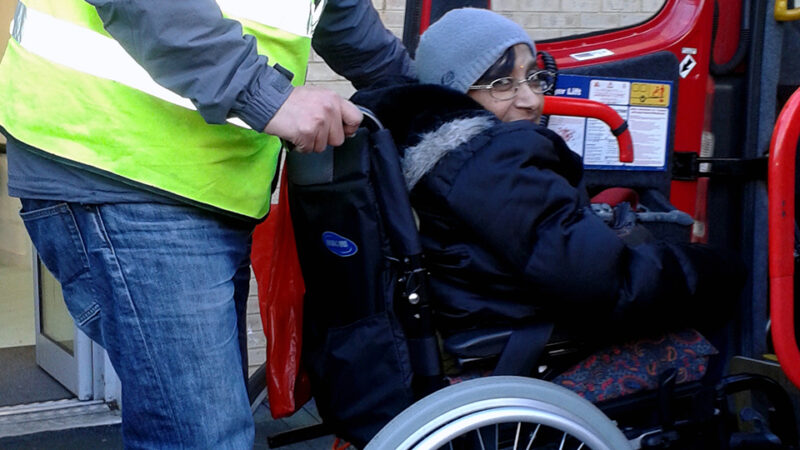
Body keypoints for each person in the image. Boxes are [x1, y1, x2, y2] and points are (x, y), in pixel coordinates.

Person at [0, 1, 413, 448]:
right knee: (202, 437)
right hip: (118, 158)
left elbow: (351, 29)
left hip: (205, 180)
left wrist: (442, 107)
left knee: (203, 427)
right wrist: (264, 93)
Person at [352, 8, 742, 349]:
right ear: (455, 94)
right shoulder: (493, 165)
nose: (531, 100)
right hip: (533, 344)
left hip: (496, 317)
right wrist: (712, 267)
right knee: (715, 313)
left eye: (534, 76)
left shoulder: (444, 160)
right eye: (502, 83)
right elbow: (608, 285)